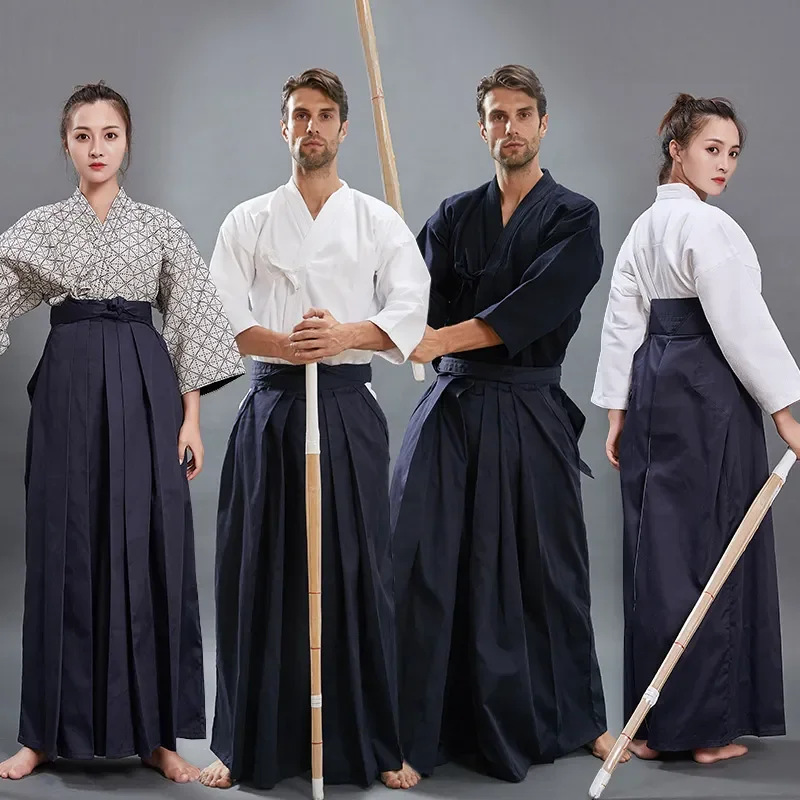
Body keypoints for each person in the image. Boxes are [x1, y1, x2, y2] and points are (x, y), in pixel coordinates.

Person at [0, 82, 244, 783]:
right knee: (62, 546)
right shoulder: (46, 226)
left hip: (145, 391)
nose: (97, 147)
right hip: (67, 389)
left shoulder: (159, 227)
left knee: (149, 548)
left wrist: (191, 419)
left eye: (109, 134)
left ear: (127, 141)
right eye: (83, 135)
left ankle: (156, 736)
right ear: (67, 144)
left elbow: (191, 317)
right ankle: (42, 734)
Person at [199, 68, 430, 792]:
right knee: (259, 565)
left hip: (346, 406)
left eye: (325, 115)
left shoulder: (376, 220)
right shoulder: (248, 220)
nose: (312, 127)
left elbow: (409, 311)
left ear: (344, 128)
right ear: (284, 127)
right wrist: (286, 345)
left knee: (359, 569)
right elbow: (220, 315)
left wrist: (344, 335)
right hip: (272, 406)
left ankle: (375, 742)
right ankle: (244, 744)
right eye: (300, 115)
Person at [389, 64, 620, 782]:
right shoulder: (454, 214)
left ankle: (578, 719)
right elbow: (411, 302)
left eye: (523, 114)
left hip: (527, 409)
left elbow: (536, 305)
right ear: (482, 126)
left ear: (543, 124)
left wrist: (439, 338)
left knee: (549, 568)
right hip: (452, 410)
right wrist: (396, 285)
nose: (510, 127)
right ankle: (415, 733)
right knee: (425, 565)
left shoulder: (575, 216)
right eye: (497, 115)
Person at [592, 93, 800, 763]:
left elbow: (623, 321)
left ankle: (652, 728)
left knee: (659, 551)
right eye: (712, 149)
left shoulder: (642, 229)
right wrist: (785, 410)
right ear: (676, 150)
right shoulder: (708, 228)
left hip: (655, 386)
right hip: (707, 388)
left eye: (732, 153)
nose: (724, 164)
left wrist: (619, 410)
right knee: (713, 542)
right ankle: (704, 731)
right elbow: (739, 323)